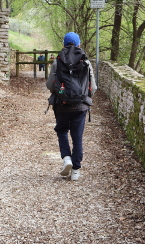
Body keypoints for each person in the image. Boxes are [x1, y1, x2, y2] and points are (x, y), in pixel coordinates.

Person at [47, 32, 96, 181]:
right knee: (77, 136)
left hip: (61, 105)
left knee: (62, 130)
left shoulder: (58, 60)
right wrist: (85, 97)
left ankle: (66, 158)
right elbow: (93, 87)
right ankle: (76, 170)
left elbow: (50, 84)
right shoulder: (85, 61)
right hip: (80, 106)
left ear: (64, 44)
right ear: (79, 44)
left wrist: (61, 92)